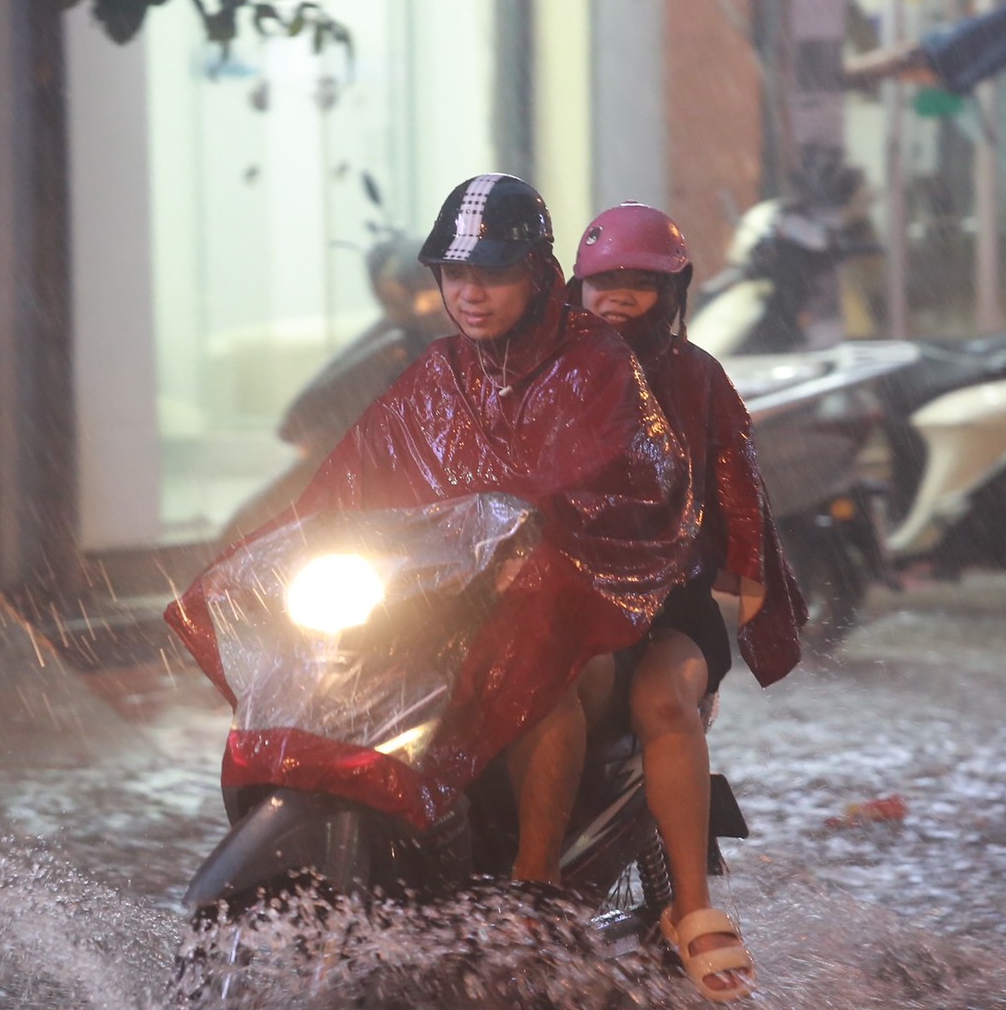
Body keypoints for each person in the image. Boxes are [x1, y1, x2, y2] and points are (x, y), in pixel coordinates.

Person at [167, 174, 692, 882]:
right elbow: (351, 480)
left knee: (536, 678)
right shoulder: (437, 370)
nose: (470, 291)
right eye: (454, 272)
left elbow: (621, 476)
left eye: (493, 271)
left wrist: (537, 532)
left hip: (571, 606)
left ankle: (536, 885)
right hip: (444, 603)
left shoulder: (596, 363)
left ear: (538, 274)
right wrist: (275, 556)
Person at [570, 202, 807, 1002]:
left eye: (639, 284)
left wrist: (740, 603)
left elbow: (743, 497)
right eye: (604, 283)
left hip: (670, 603)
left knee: (660, 702)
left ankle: (691, 909)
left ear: (673, 292)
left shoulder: (697, 376)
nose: (617, 299)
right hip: (563, 596)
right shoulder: (539, 368)